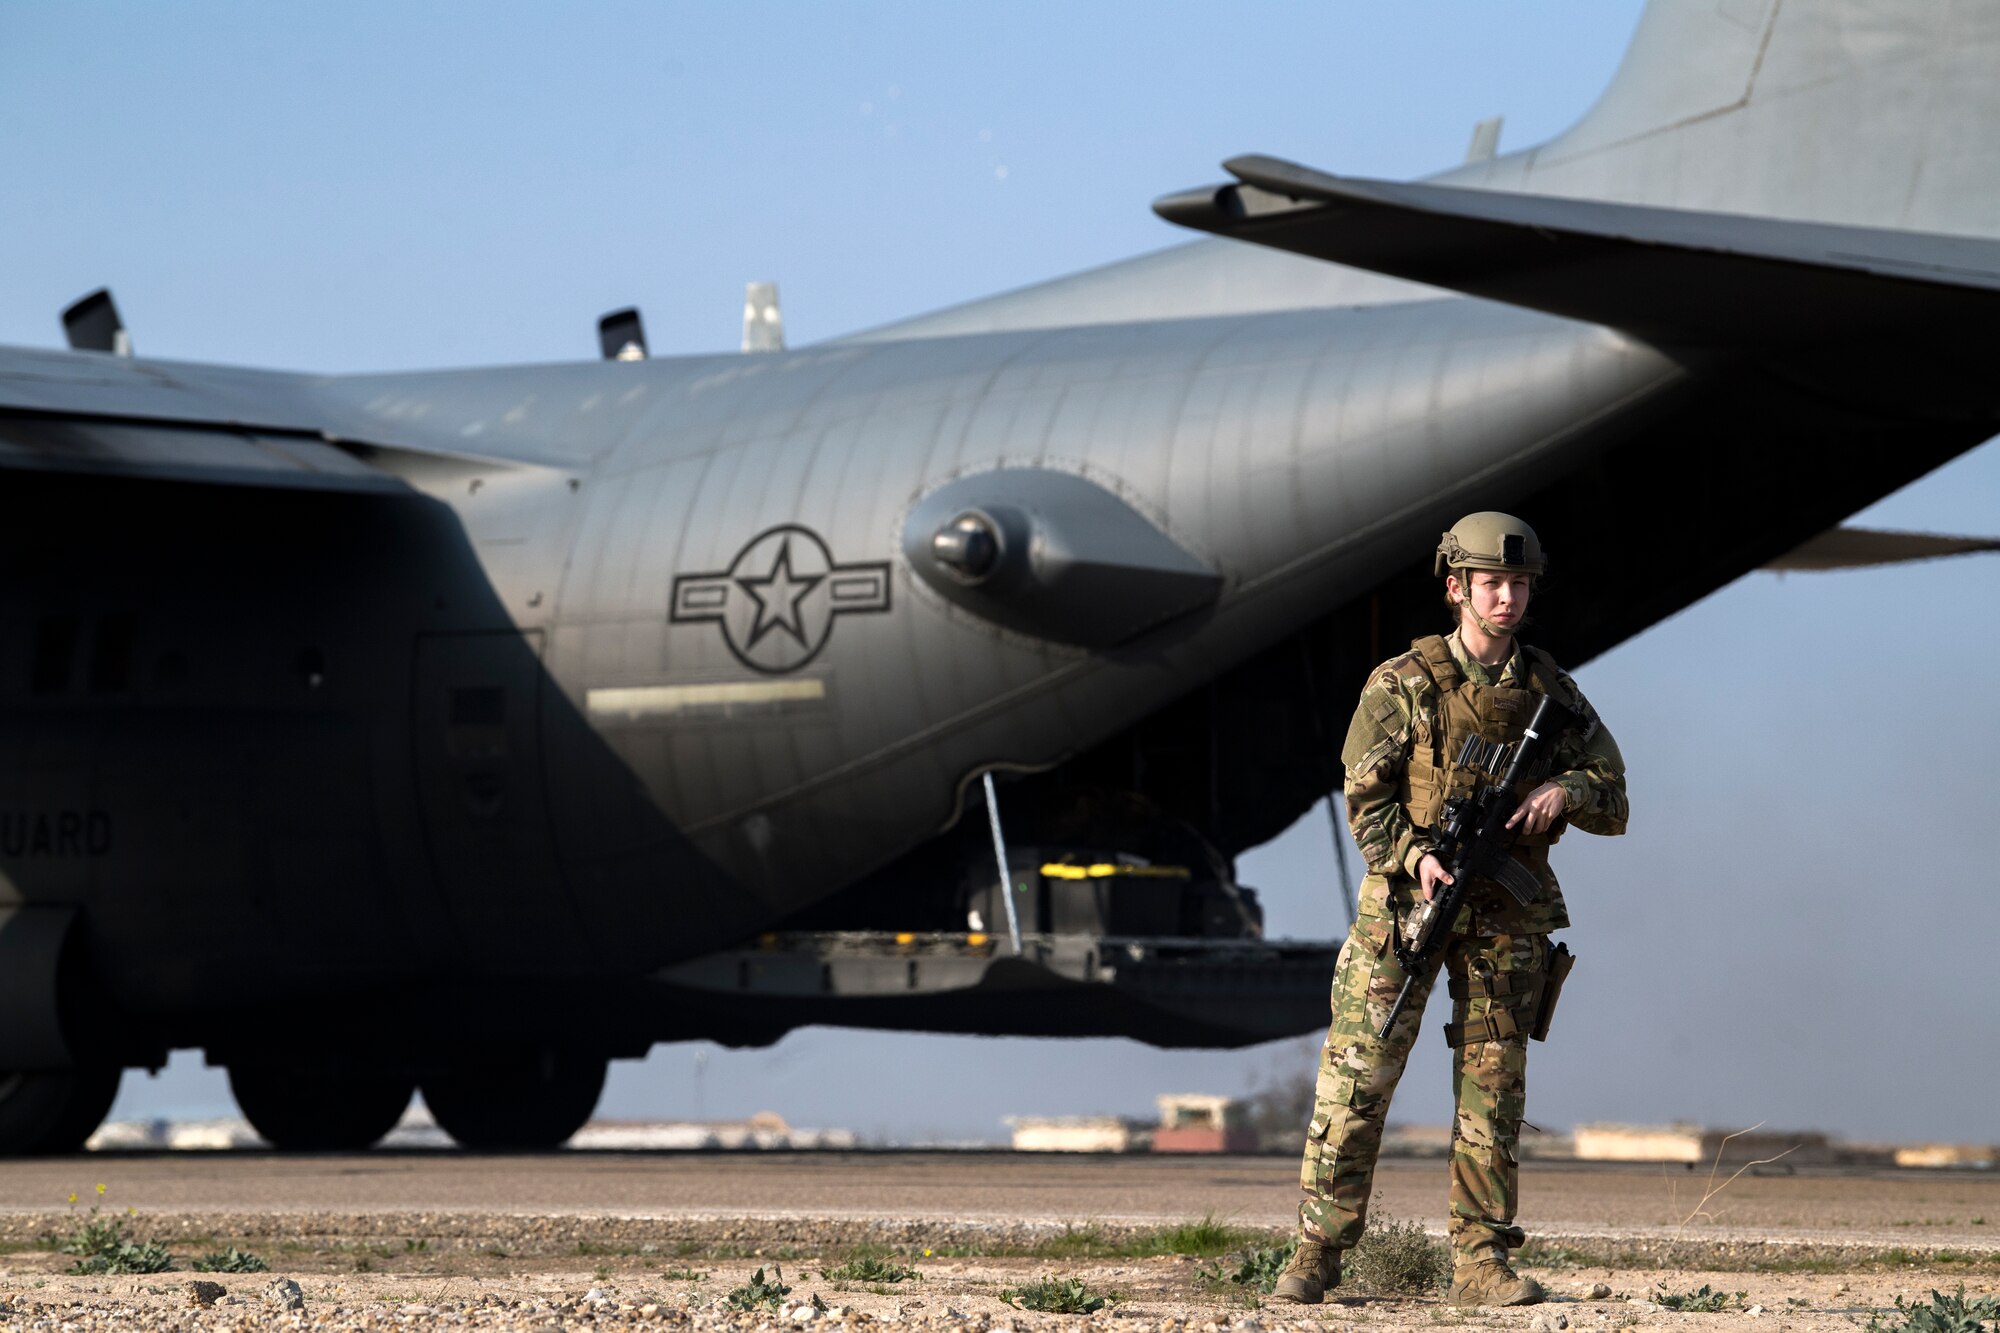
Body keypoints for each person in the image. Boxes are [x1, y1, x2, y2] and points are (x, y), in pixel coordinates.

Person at [1274, 511, 1628, 1308]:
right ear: (1456, 587)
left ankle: (1481, 1262)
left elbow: (1615, 798)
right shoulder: (1401, 683)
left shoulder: (1554, 694)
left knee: (1492, 1090)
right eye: (1491, 583)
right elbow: (1364, 798)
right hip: (1407, 909)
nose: (1506, 597)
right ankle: (1316, 1252)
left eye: (1519, 583)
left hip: (1506, 914)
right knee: (1357, 1079)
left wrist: (1559, 791)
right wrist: (1414, 855)